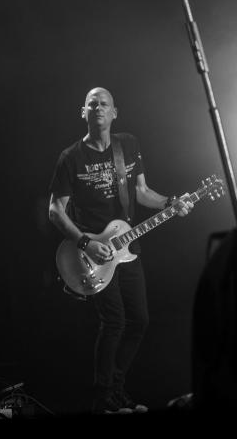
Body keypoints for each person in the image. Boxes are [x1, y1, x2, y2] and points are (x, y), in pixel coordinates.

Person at [48, 87, 193, 415]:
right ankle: (103, 398)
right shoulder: (70, 157)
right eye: (91, 103)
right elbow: (55, 211)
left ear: (115, 112)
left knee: (139, 321)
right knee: (114, 321)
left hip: (127, 245)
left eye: (104, 104)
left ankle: (115, 390)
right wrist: (86, 243)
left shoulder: (127, 145)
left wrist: (171, 202)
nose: (98, 107)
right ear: (82, 112)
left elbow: (142, 192)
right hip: (93, 255)